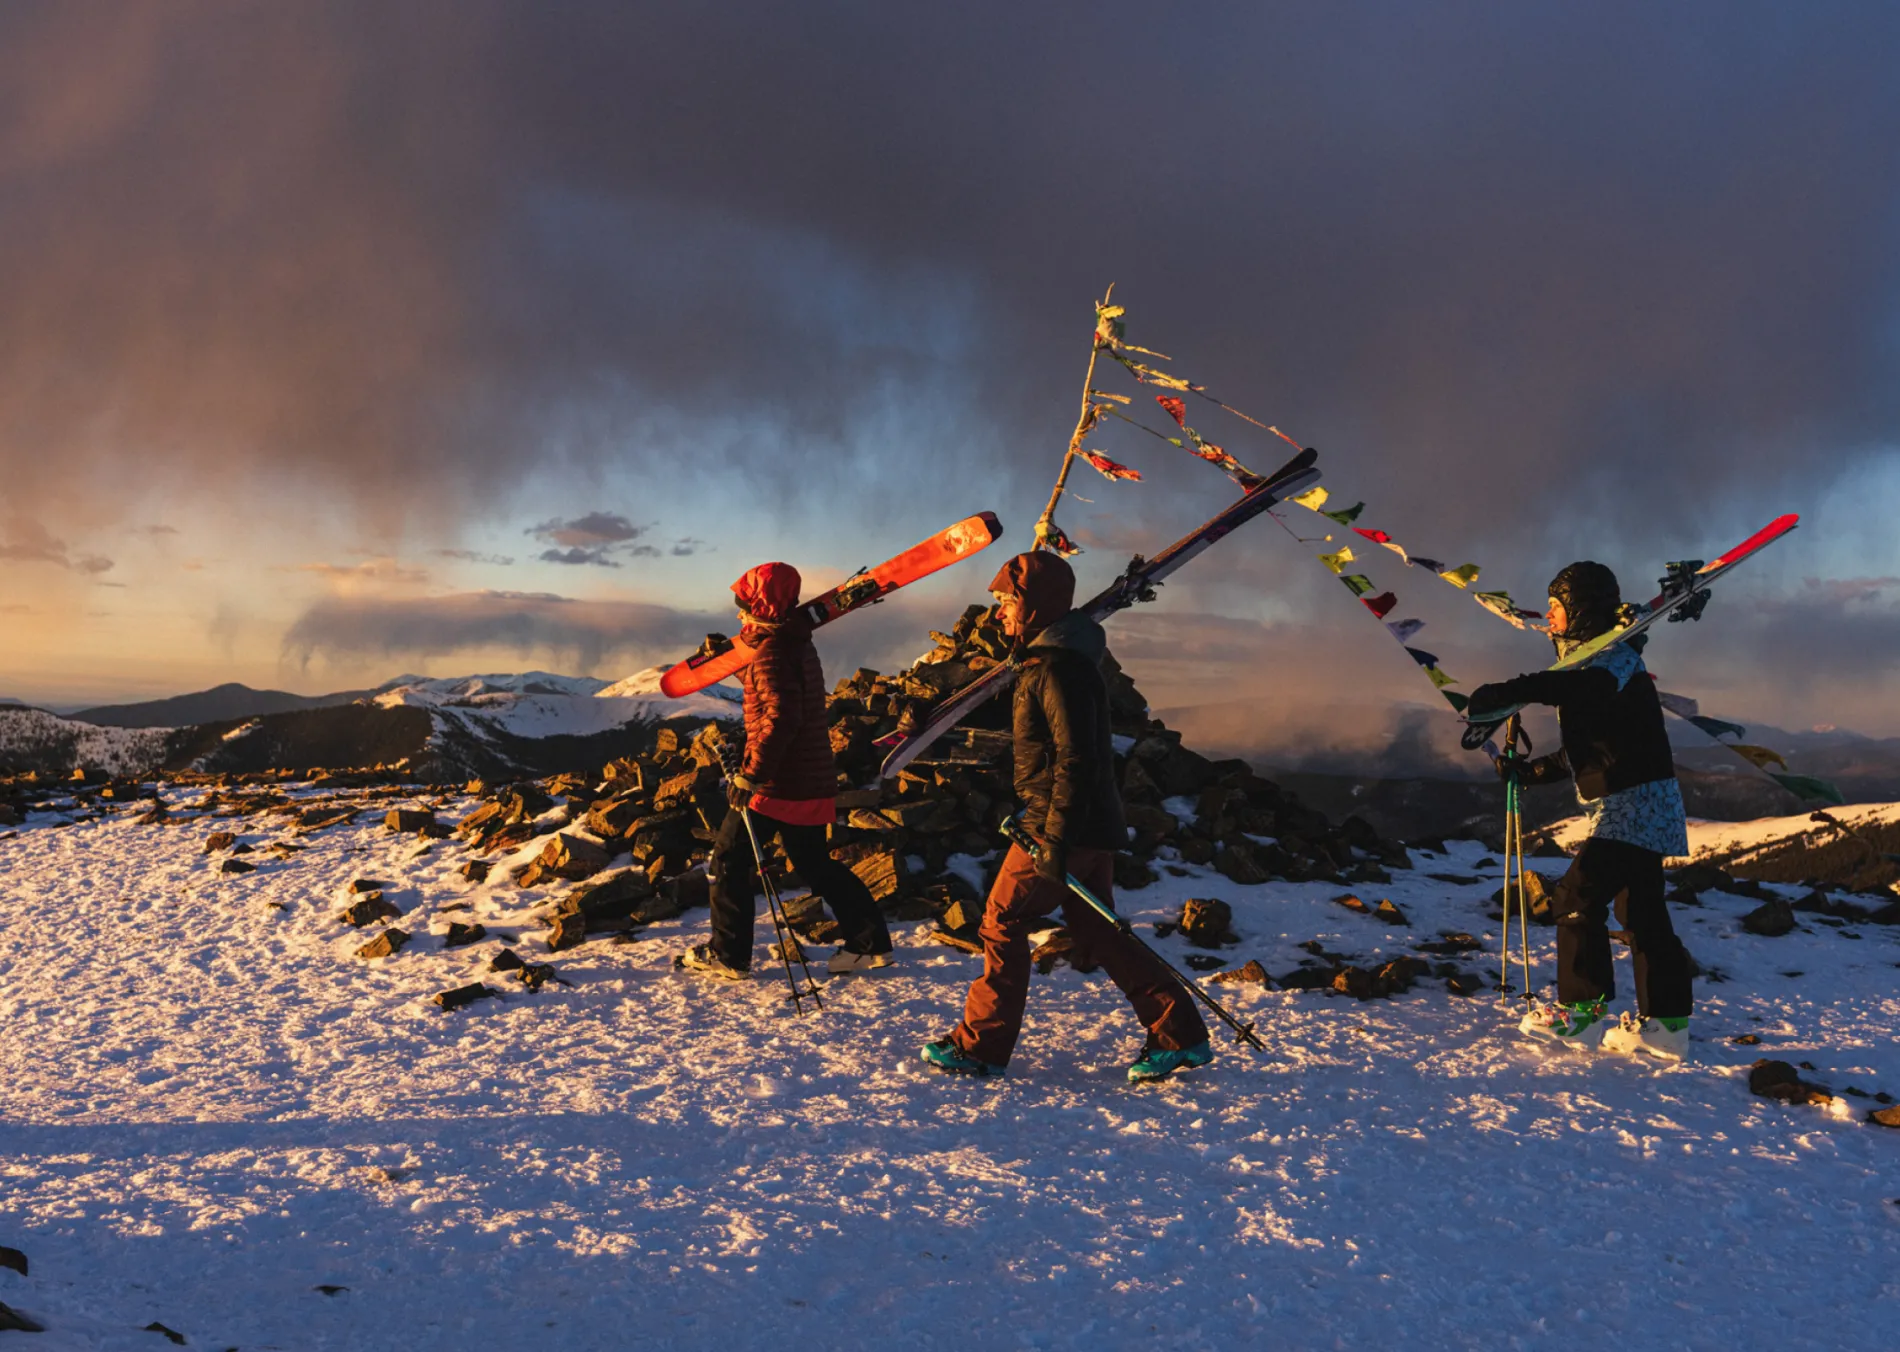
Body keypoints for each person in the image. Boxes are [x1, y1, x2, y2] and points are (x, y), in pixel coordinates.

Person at [919, 551, 1211, 1083]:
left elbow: (1074, 757)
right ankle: (1179, 1036)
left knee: (1001, 921)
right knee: (1098, 929)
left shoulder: (1056, 669)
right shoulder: (1056, 660)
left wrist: (1054, 837)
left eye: (1008, 601)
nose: (1000, 612)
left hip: (1062, 821)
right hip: (1086, 820)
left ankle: (980, 1046)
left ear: (1033, 606)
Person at [1467, 560, 1693, 1060]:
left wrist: (1518, 689)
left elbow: (1584, 691)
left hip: (1632, 804)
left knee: (1574, 898)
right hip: (1641, 801)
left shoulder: (1612, 661)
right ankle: (1667, 1026)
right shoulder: (1600, 665)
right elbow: (1587, 750)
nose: (1548, 618)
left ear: (1580, 610)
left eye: (1556, 608)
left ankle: (1581, 1012)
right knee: (1642, 914)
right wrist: (1531, 773)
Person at [677, 562, 894, 980]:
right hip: (807, 777)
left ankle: (729, 954)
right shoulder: (791, 640)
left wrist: (751, 775)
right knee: (814, 863)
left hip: (778, 782)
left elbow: (780, 717)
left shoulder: (771, 651)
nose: (739, 614)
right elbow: (768, 680)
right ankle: (869, 944)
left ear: (759, 605)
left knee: (727, 858)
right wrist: (726, 656)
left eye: (744, 606)